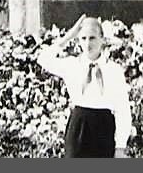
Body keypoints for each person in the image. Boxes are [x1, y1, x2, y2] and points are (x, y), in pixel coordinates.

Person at [38, 15, 131, 157]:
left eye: (92, 38)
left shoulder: (114, 70)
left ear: (102, 39)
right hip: (78, 129)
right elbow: (43, 59)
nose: (88, 43)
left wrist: (120, 147)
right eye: (83, 38)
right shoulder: (72, 65)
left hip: (104, 129)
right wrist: (68, 36)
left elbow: (123, 110)